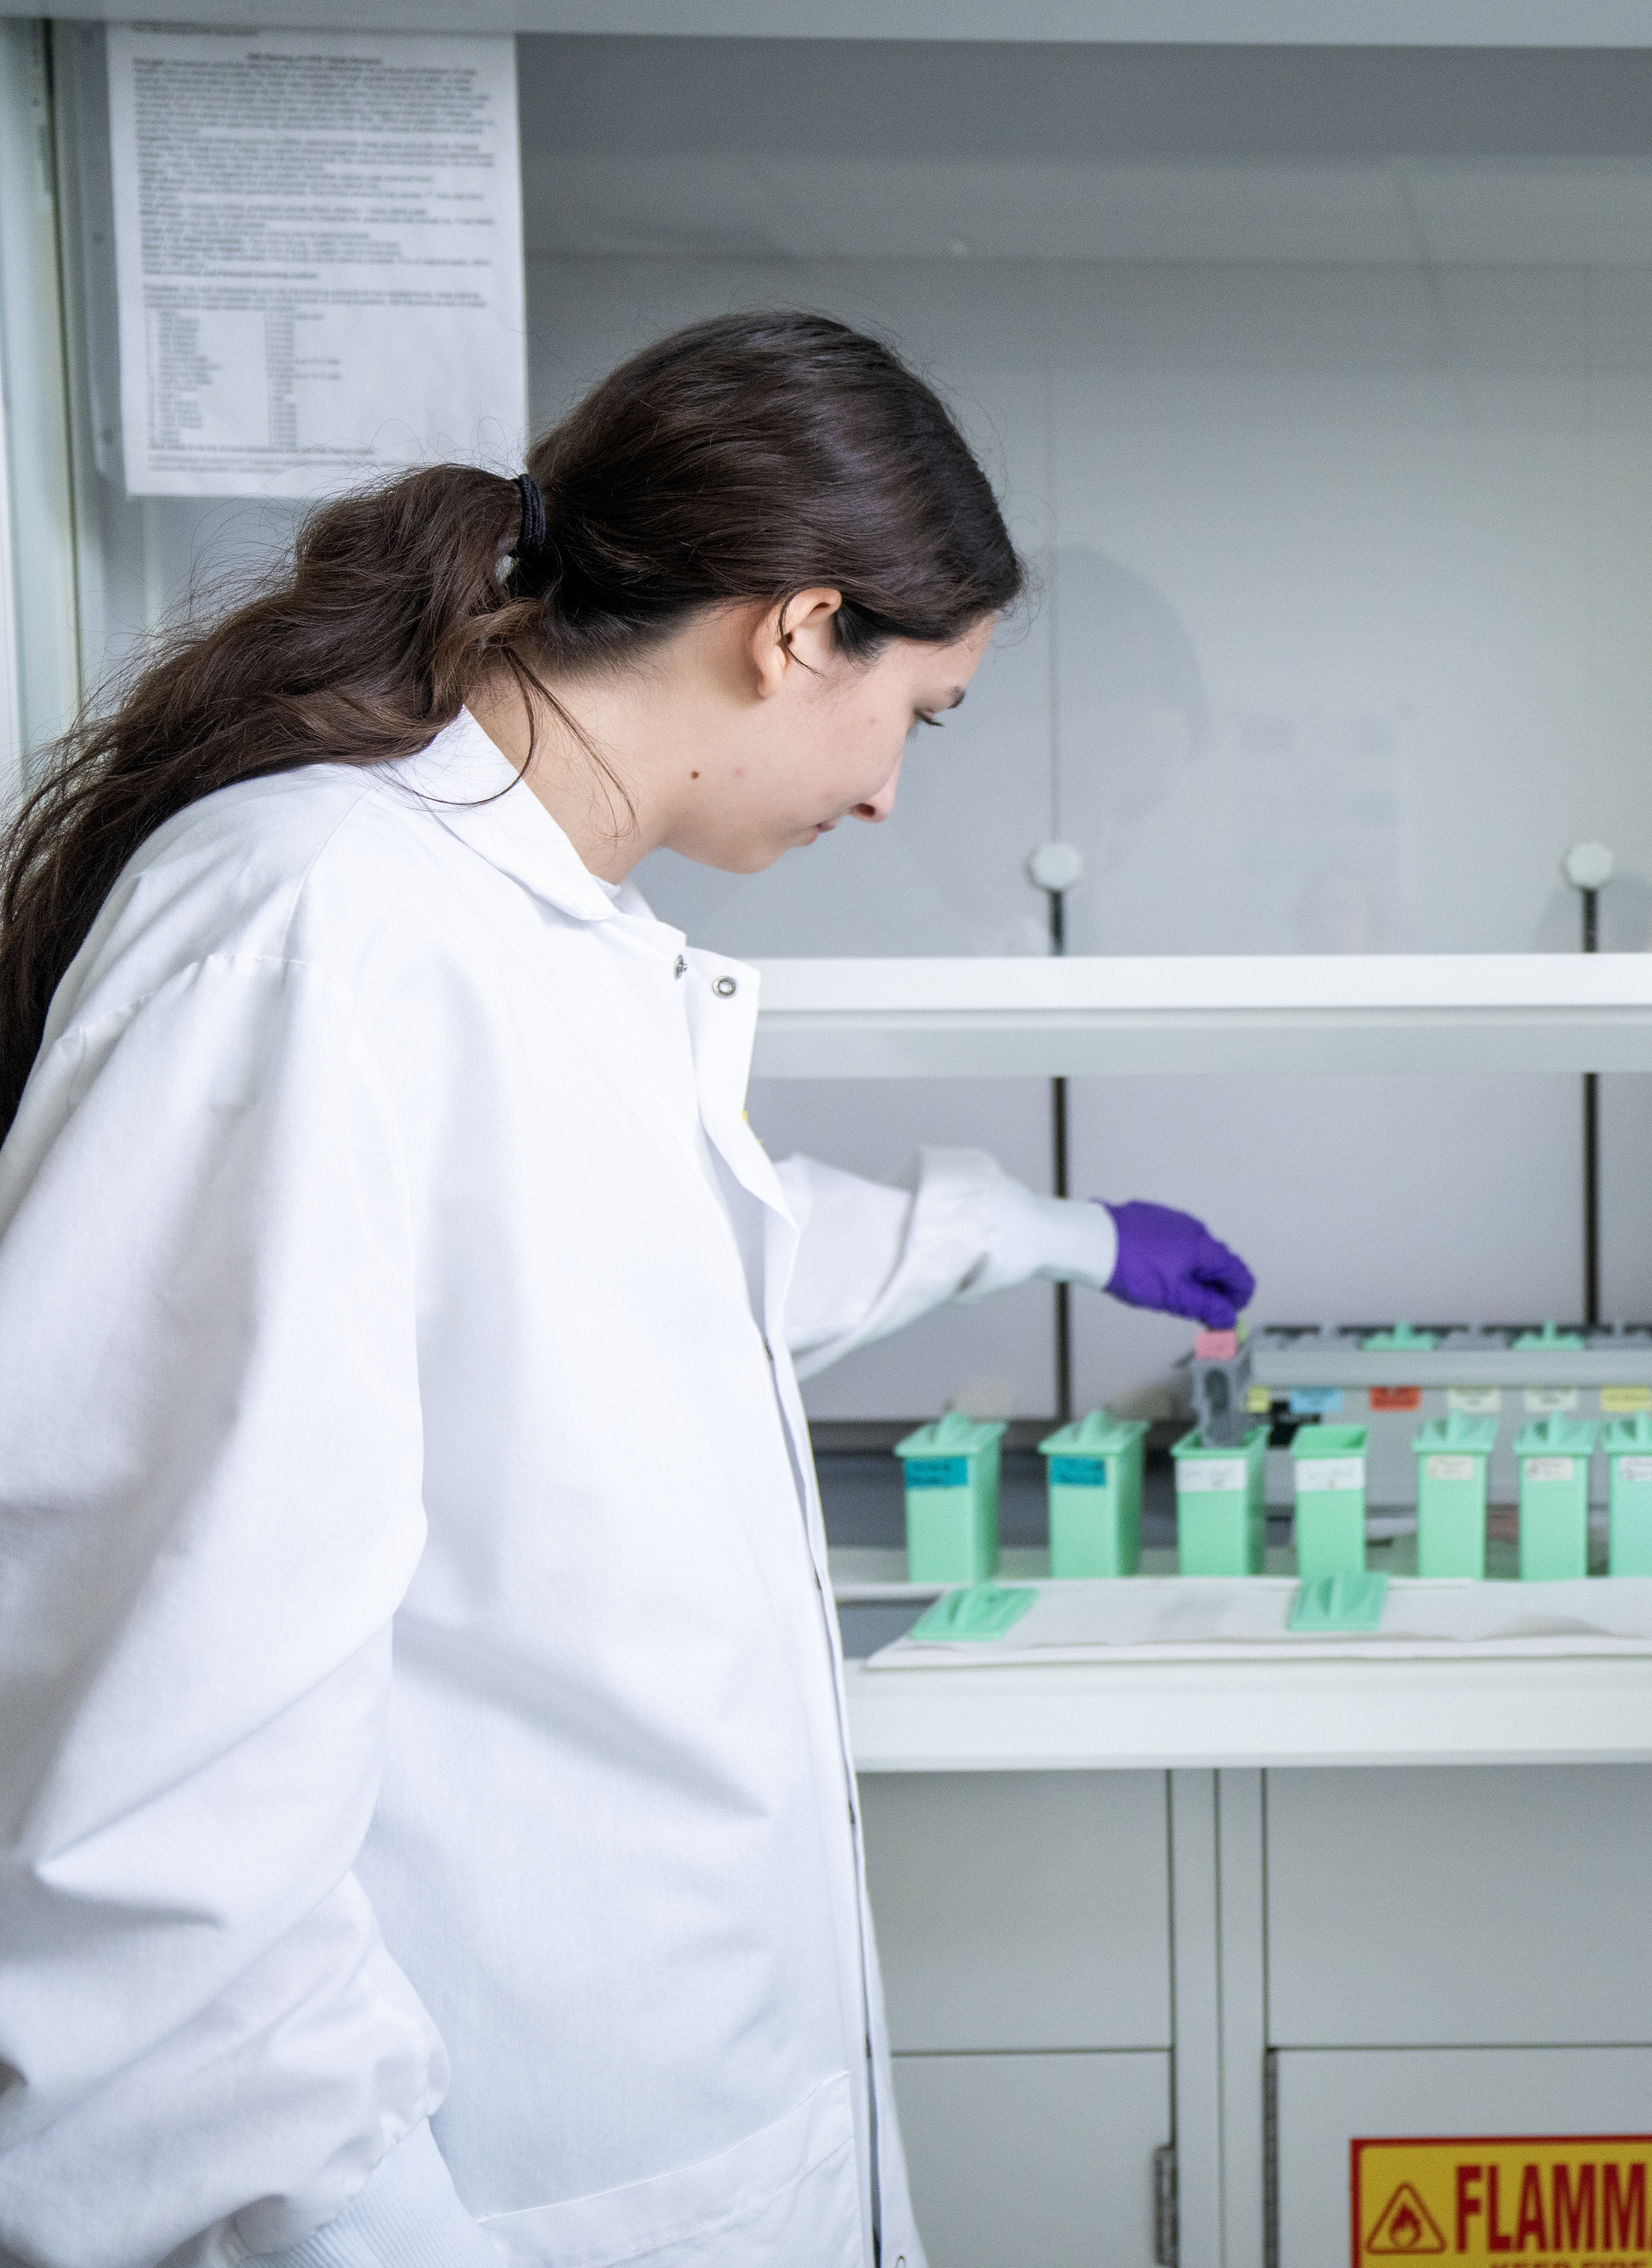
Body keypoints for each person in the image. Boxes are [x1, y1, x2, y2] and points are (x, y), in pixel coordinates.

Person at [0, 313, 1252, 2265]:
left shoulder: (567, 939)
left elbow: (698, 1286)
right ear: (795, 626)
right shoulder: (323, 931)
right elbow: (159, 1825)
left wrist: (1056, 1230)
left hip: (688, 2140)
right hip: (482, 2191)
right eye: (919, 716)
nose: (895, 799)